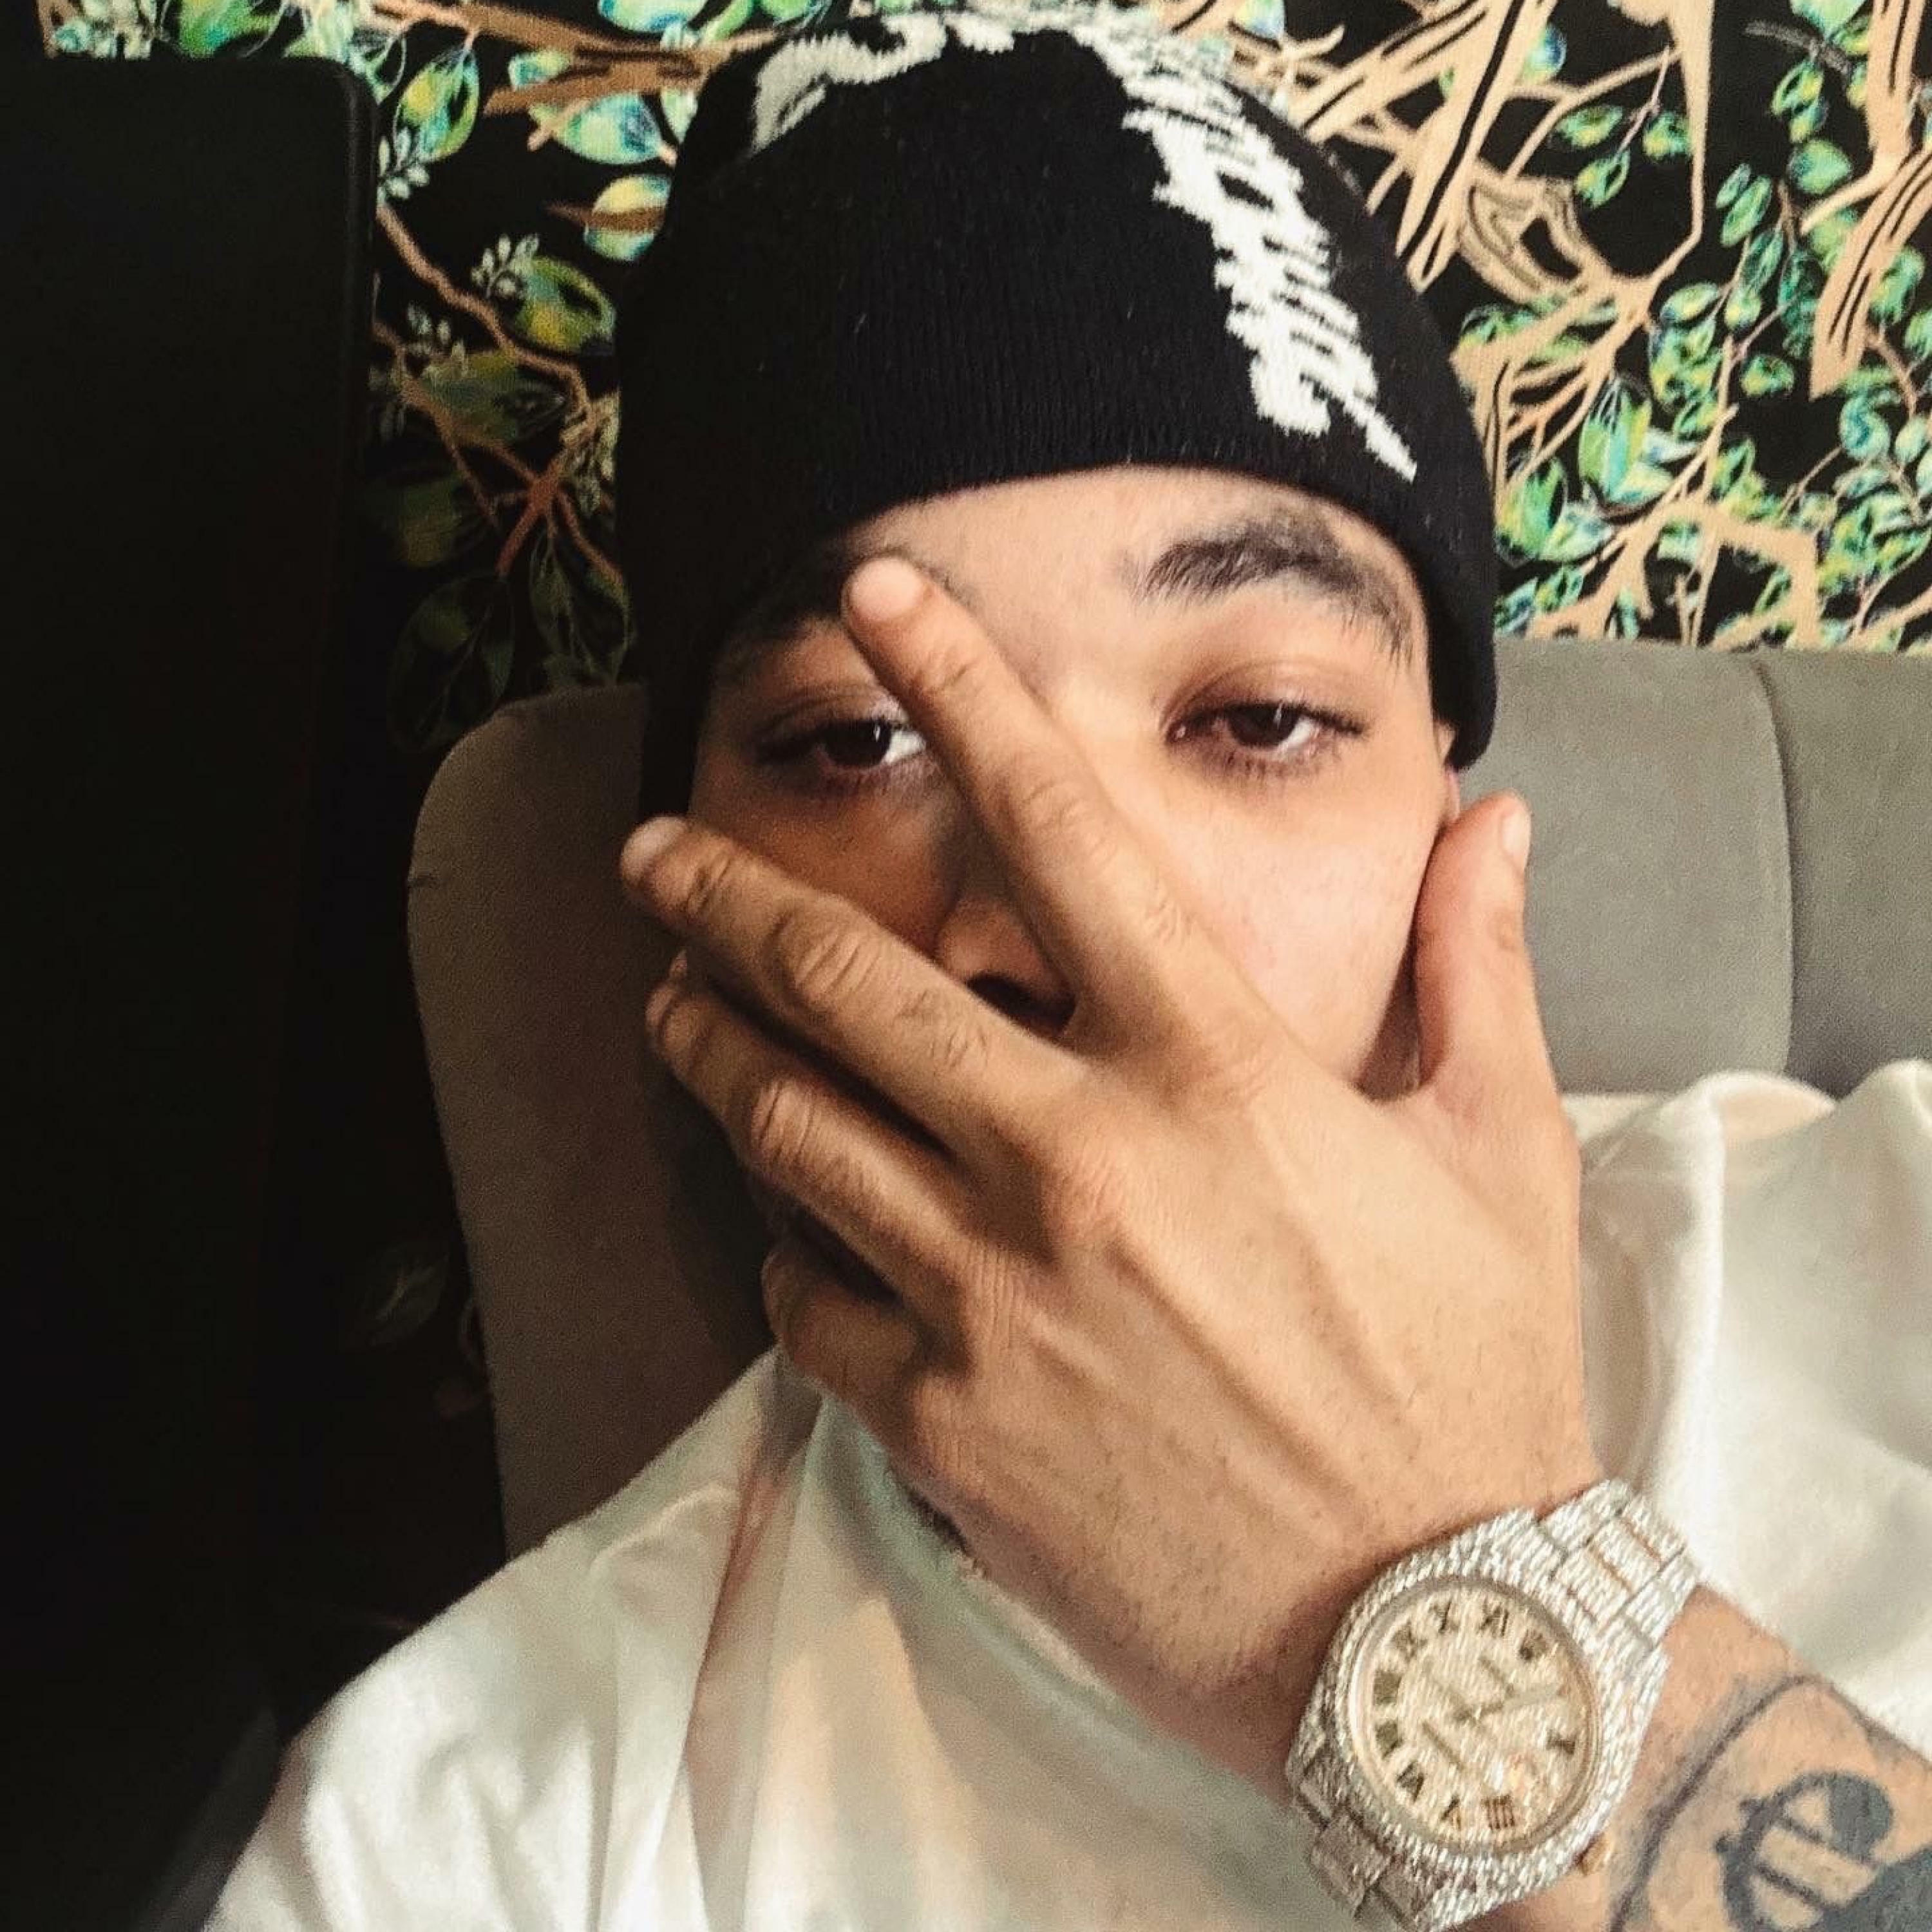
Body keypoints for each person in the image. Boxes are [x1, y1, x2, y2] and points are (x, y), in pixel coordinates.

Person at [213, 6, 1932, 1927]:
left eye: (1261, 718)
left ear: (1450, 817)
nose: (1075, 923)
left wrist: (1431, 1568)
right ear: (694, 893)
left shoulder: (1896, 1254)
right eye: (856, 739)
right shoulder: (475, 1828)